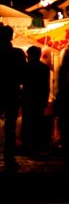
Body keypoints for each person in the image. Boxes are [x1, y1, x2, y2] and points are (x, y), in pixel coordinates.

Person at [1, 25, 27, 170]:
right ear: (11, 37)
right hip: (12, 93)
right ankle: (9, 157)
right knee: (10, 128)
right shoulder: (17, 54)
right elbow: (23, 76)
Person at [21, 45, 52, 155]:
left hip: (28, 99)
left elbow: (22, 82)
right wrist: (44, 100)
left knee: (27, 122)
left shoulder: (26, 67)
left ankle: (27, 145)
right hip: (39, 99)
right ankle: (35, 145)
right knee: (37, 123)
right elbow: (46, 86)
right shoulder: (44, 69)